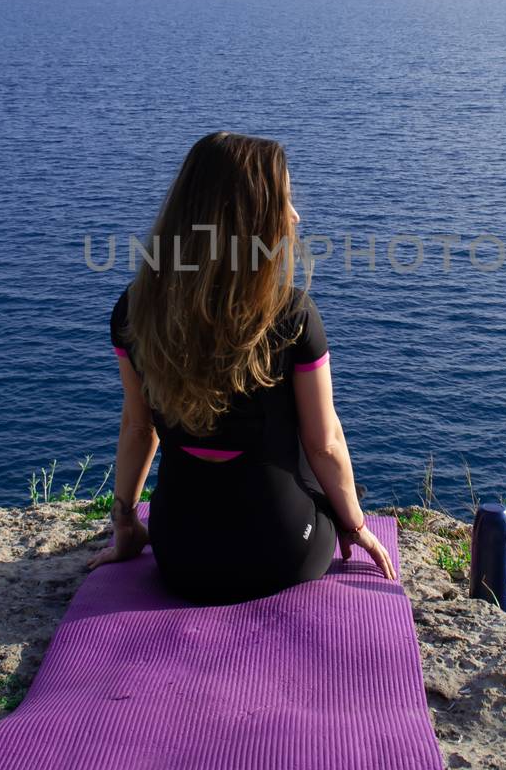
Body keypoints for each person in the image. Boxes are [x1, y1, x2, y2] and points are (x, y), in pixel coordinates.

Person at [85, 131, 396, 603]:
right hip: (284, 554)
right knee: (298, 458)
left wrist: (125, 523)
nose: (295, 215)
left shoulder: (135, 311)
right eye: (284, 202)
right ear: (249, 221)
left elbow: (137, 428)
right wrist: (354, 525)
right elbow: (324, 443)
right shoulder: (292, 315)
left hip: (181, 554)